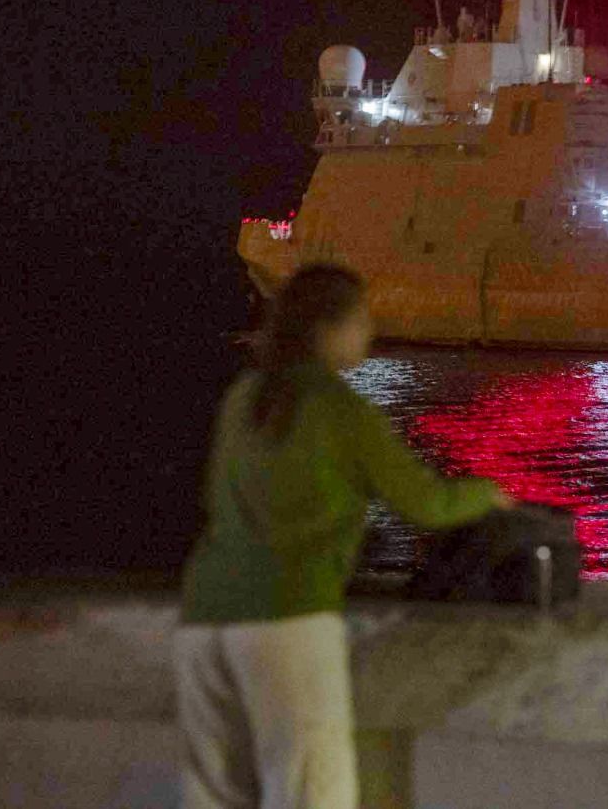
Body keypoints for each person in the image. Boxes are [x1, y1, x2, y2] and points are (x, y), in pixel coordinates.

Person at [174, 264, 510, 809]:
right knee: (313, 796)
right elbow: (426, 503)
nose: (369, 331)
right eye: (362, 319)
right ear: (327, 329)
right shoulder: (341, 409)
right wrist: (487, 494)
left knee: (216, 799)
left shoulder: (243, 397)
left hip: (204, 620)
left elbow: (214, 503)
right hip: (286, 619)